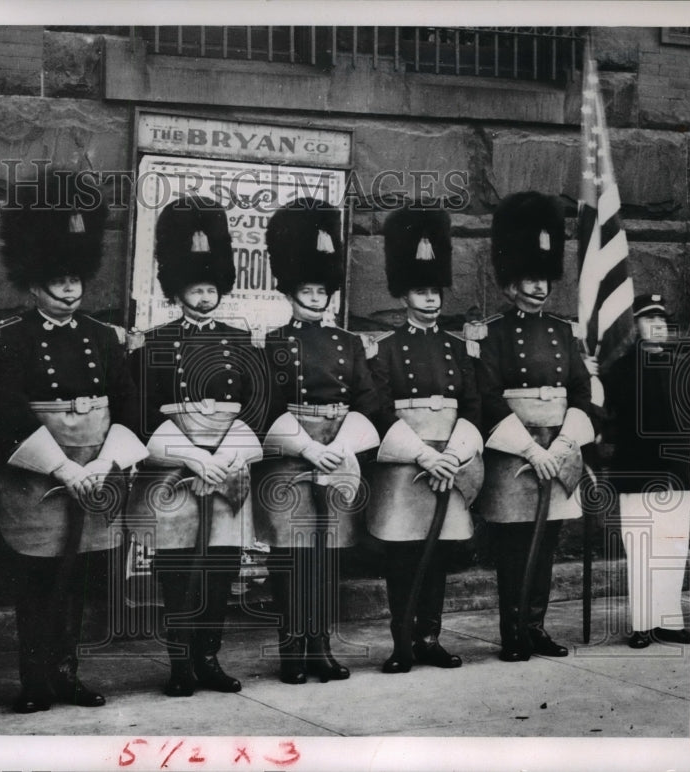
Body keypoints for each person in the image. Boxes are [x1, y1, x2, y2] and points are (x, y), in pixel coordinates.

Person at [0, 173, 146, 712]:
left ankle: (67, 672)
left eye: (76, 280)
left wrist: (104, 464)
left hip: (96, 474)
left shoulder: (104, 338)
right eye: (58, 281)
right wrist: (63, 470)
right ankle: (34, 680)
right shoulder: (12, 341)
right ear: (33, 285)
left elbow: (129, 406)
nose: (70, 291)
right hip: (39, 480)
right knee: (38, 579)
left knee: (79, 579)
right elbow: (2, 413)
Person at [126, 195, 264, 697]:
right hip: (175, 472)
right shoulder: (156, 344)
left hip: (227, 470)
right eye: (195, 288)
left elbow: (257, 407)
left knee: (220, 570)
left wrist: (226, 459)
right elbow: (140, 413)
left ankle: (209, 658)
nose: (204, 297)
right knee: (178, 571)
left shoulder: (240, 342)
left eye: (211, 288)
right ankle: (180, 663)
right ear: (177, 289)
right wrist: (191, 457)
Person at [253, 198, 380, 684]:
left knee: (328, 556)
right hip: (290, 456)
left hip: (339, 450)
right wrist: (307, 448)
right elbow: (264, 405)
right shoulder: (272, 342)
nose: (315, 296)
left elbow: (368, 399)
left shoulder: (348, 343)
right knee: (291, 557)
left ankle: (321, 646)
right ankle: (292, 651)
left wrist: (343, 445)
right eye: (306, 289)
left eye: (322, 289)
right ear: (289, 291)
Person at [473, 191, 595, 662]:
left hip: (558, 451)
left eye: (545, 278)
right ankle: (513, 634)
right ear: (510, 284)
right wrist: (531, 450)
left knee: (547, 544)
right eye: (529, 278)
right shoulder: (495, 334)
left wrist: (564, 443)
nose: (540, 287)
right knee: (513, 546)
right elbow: (485, 396)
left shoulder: (565, 333)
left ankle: (537, 627)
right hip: (516, 456)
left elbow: (582, 394)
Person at [367, 207, 483, 674]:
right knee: (404, 555)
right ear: (403, 295)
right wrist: (422, 455)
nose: (430, 300)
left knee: (439, 554)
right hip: (406, 465)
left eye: (435, 291)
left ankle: (430, 637)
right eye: (420, 290)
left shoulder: (460, 349)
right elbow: (376, 409)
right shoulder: (386, 349)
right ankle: (401, 644)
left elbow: (474, 406)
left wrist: (452, 456)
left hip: (449, 463)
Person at [602, 294, 690, 648]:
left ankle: (668, 620)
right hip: (637, 473)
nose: (657, 325)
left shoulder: (682, 366)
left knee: (673, 548)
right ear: (636, 326)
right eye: (648, 319)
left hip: (677, 472)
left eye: (662, 320)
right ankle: (642, 623)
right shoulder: (620, 371)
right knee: (642, 549)